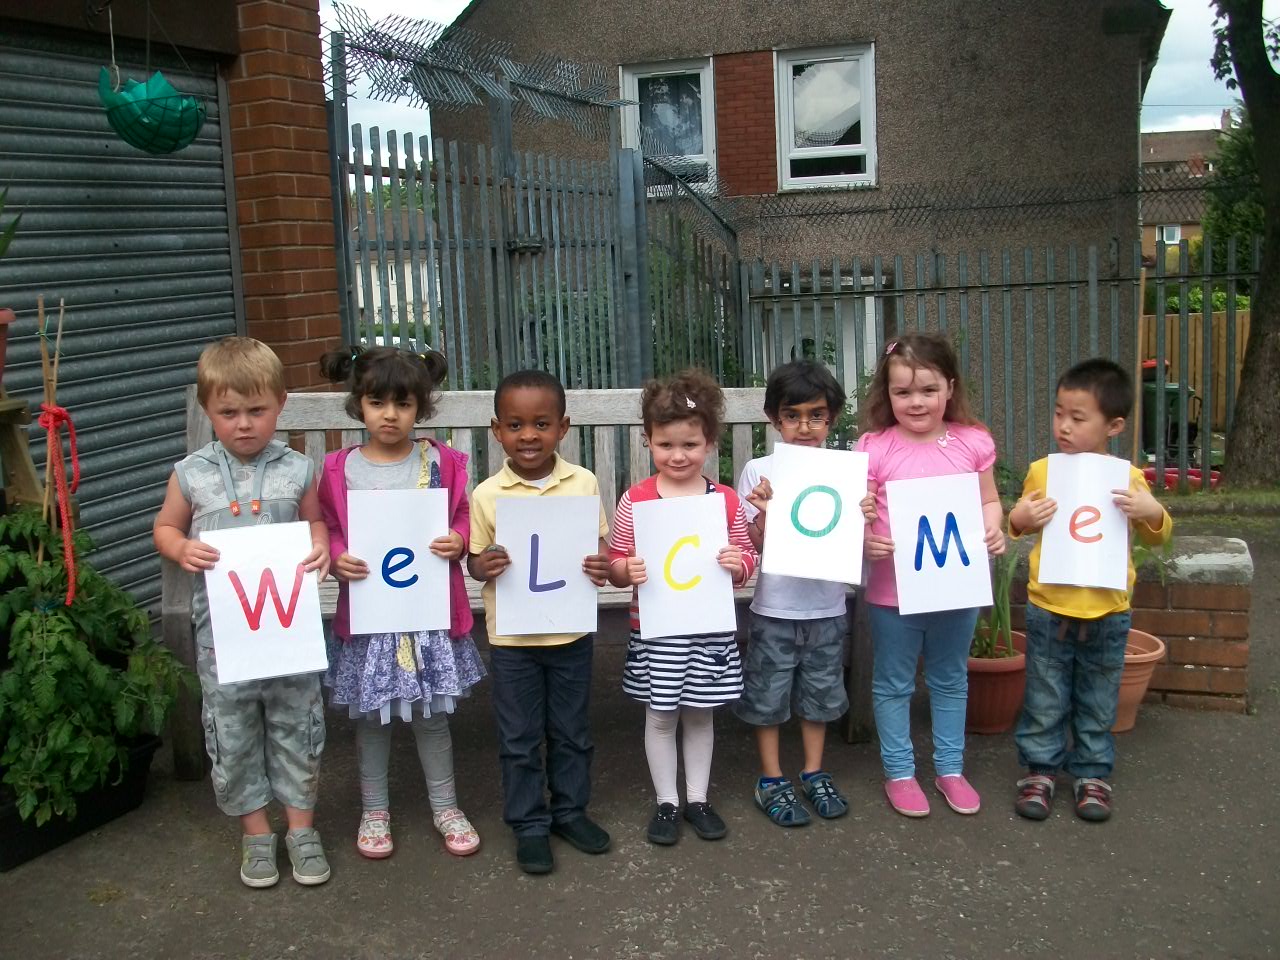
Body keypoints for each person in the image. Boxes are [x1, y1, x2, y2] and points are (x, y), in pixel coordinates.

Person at [153, 337, 331, 889]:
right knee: (232, 732)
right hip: (222, 639)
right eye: (229, 413)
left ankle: (301, 828)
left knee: (295, 725)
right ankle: (256, 833)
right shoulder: (191, 474)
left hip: (287, 632)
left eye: (257, 410)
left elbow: (316, 523)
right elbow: (165, 527)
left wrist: (321, 544)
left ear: (281, 403)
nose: (244, 424)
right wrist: (181, 548)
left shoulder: (299, 470)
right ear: (209, 410)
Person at [317, 346, 486, 859]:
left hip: (425, 617)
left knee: (432, 718)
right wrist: (339, 554)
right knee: (371, 719)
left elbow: (460, 515)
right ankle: (374, 810)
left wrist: (459, 540)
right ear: (358, 405)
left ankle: (446, 805)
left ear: (422, 407)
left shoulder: (441, 462)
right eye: (377, 402)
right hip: (371, 618)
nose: (390, 415)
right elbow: (327, 526)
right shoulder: (339, 469)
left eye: (403, 404)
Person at [1008, 358, 1172, 823]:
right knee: (1045, 694)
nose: (1064, 426)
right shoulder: (1044, 471)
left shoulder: (1127, 478)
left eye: (1078, 418)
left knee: (1099, 698)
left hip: (1108, 611)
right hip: (1048, 607)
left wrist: (1151, 508)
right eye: (1059, 413)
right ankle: (1039, 770)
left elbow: (1159, 536)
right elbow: (1017, 523)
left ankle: (1092, 775)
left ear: (1114, 425)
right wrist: (1020, 518)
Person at [468, 370, 612, 876]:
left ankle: (570, 812)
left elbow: (597, 546)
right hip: (512, 638)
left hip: (570, 632)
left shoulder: (583, 482)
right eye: (515, 424)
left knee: (572, 731)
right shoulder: (487, 494)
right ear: (497, 431)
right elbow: (474, 559)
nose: (529, 435)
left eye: (542, 423)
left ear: (563, 427)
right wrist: (481, 564)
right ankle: (529, 824)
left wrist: (600, 561)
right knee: (519, 736)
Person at [608, 369, 758, 846]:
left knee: (700, 714)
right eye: (666, 444)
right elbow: (615, 559)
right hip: (656, 630)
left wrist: (739, 563)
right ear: (649, 441)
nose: (678, 455)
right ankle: (666, 803)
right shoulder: (635, 500)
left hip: (708, 628)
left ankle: (697, 798)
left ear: (709, 442)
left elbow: (746, 559)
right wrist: (622, 571)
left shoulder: (725, 500)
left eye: (690, 445)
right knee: (660, 714)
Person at [858, 333, 1005, 818]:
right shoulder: (874, 448)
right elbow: (858, 514)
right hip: (891, 591)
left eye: (927, 390)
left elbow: (987, 500)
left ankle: (950, 769)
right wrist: (864, 539)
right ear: (888, 395)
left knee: (949, 678)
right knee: (894, 682)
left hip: (955, 587)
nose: (916, 402)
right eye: (903, 392)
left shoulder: (972, 442)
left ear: (949, 388)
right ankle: (900, 772)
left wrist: (993, 528)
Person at [735, 360, 852, 827]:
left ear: (833, 418)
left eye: (817, 415)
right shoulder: (760, 471)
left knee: (821, 694)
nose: (805, 426)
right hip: (775, 606)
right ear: (774, 418)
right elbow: (758, 545)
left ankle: (813, 770)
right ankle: (770, 778)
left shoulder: (843, 471)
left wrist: (863, 510)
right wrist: (763, 510)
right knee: (769, 695)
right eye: (793, 415)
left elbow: (853, 538)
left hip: (827, 605)